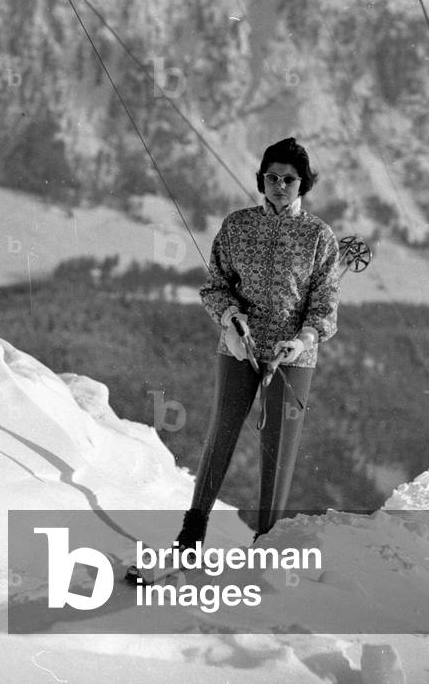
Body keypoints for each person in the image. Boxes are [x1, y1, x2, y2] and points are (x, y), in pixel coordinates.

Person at [175, 137, 341, 549]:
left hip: (292, 357)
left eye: (289, 179)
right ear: (261, 179)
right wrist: (230, 321)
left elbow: (324, 305)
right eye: (272, 177)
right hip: (239, 348)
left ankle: (266, 541)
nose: (279, 185)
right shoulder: (237, 226)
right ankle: (192, 531)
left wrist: (302, 340)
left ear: (303, 184)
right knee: (222, 433)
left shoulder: (319, 237)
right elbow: (215, 287)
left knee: (278, 452)